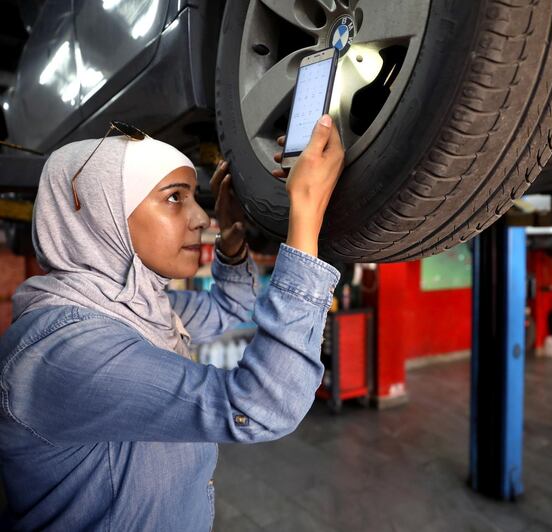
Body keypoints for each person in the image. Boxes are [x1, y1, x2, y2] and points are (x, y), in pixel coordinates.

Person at [0, 115, 344, 530]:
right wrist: (305, 222)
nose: (201, 219)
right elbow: (259, 408)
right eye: (175, 198)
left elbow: (228, 310)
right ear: (103, 214)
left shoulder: (139, 306)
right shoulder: (68, 352)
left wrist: (231, 242)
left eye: (195, 198)